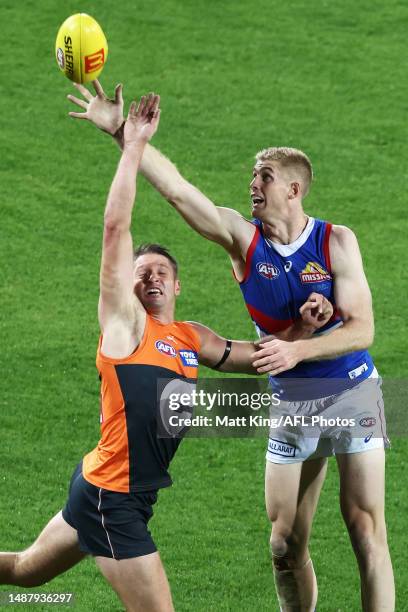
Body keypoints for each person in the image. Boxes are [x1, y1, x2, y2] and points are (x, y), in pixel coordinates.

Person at [67, 80, 395, 611]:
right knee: (284, 545)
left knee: (364, 526)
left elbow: (363, 331)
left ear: (294, 189)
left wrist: (299, 348)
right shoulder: (244, 241)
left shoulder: (337, 241)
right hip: (292, 401)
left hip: (351, 389)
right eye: (252, 176)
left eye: (264, 176)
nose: (253, 184)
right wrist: (124, 136)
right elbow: (177, 190)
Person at [0, 96, 332, 612]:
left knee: (24, 571)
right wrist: (131, 146)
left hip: (100, 485)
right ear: (124, 287)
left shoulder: (189, 337)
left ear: (177, 285)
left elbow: (261, 357)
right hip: (115, 501)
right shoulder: (122, 326)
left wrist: (302, 331)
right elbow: (116, 230)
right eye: (140, 272)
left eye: (161, 272)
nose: (150, 277)